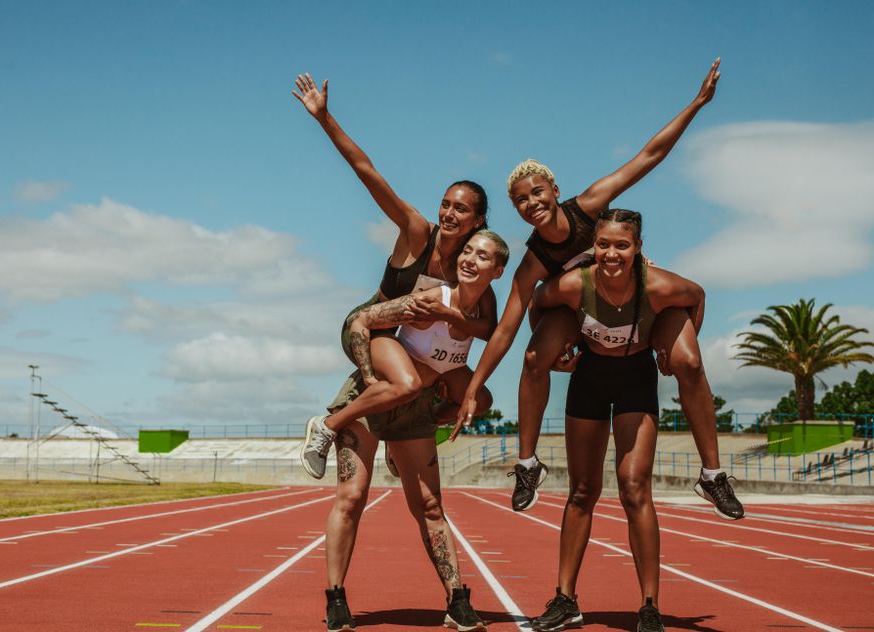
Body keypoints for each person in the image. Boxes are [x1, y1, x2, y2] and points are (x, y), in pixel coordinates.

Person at [454, 59, 744, 520]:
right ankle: (528, 463)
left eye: (537, 193)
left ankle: (712, 474)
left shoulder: (591, 206)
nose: (532, 204)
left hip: (639, 304)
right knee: (534, 357)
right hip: (584, 319)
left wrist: (697, 104)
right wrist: (475, 385)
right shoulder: (532, 264)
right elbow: (507, 330)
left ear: (554, 188)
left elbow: (649, 156)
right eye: (521, 201)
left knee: (689, 360)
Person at [292, 72, 497, 479]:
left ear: (478, 220)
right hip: (373, 327)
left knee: (480, 399)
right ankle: (325, 427)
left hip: (418, 343)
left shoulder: (472, 265)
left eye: (460, 209)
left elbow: (487, 326)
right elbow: (368, 172)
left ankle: (403, 434)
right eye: (445, 204)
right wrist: (324, 118)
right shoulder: (419, 233)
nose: (448, 214)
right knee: (405, 381)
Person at [320, 229, 509, 632]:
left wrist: (439, 414)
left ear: (498, 270)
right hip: (371, 400)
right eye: (468, 251)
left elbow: (491, 341)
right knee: (351, 498)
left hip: (416, 411)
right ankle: (336, 598)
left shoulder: (482, 316)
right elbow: (361, 321)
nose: (470, 259)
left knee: (430, 507)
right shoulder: (428, 299)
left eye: (483, 255)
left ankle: (457, 600)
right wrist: (369, 376)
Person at [528, 209, 696, 632]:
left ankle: (650, 606)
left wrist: (671, 347)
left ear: (638, 249)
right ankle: (565, 600)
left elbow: (696, 296)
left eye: (622, 245)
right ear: (594, 246)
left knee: (635, 489)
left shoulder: (654, 284)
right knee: (581, 490)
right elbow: (538, 302)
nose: (611, 253)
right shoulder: (574, 283)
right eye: (603, 244)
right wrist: (558, 351)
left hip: (636, 380)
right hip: (589, 378)